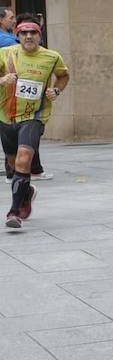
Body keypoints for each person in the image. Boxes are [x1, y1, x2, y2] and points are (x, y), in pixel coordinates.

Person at [1, 16, 69, 228]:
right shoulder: (6, 54)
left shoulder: (52, 57)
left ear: (40, 35)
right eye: (24, 33)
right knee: (13, 167)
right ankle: (26, 191)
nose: (29, 37)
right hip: (6, 115)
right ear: (18, 36)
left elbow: (63, 75)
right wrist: (2, 80)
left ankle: (13, 213)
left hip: (35, 115)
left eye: (33, 33)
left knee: (24, 161)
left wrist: (56, 90)